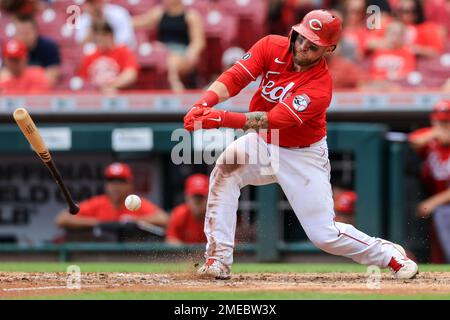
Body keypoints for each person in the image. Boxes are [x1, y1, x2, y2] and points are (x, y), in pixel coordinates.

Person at [183, 9, 418, 280]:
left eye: (314, 43)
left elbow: (274, 120)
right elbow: (236, 76)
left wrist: (220, 118)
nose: (304, 45)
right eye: (302, 37)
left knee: (323, 235)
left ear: (328, 48)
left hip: (302, 154)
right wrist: (204, 103)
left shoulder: (320, 86)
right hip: (261, 143)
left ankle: (388, 254)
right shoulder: (271, 45)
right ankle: (218, 260)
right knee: (224, 171)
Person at [55, 162, 169, 229]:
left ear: (129, 185)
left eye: (120, 181)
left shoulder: (135, 202)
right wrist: (99, 222)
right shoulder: (98, 203)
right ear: (106, 185)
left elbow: (164, 219)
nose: (115, 186)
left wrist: (136, 221)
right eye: (111, 181)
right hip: (100, 256)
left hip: (132, 256)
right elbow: (62, 219)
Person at [409, 100, 450, 263]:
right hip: (440, 204)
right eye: (439, 121)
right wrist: (435, 133)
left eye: (447, 122)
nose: (443, 126)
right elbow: (413, 141)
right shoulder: (431, 140)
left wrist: (433, 202)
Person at [132, 0, 205, 92]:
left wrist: (192, 53)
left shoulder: (191, 16)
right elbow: (142, 22)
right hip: (162, 51)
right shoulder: (159, 13)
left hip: (181, 52)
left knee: (171, 61)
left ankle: (174, 84)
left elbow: (198, 41)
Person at [78, 20, 139, 93]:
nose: (99, 38)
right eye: (96, 35)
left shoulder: (124, 52)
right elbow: (83, 80)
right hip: (95, 97)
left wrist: (111, 85)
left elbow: (130, 75)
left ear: (110, 35)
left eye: (103, 35)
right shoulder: (90, 56)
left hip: (119, 96)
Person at [13, 15, 61, 87]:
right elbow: (4, 76)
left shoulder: (48, 47)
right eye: (20, 33)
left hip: (40, 93)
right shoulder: (12, 49)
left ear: (36, 32)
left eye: (27, 33)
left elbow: (50, 79)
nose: (24, 37)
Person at [166, 174, 209, 244]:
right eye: (194, 197)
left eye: (201, 197)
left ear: (209, 197)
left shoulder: (217, 217)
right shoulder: (179, 214)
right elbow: (171, 241)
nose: (197, 201)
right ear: (186, 197)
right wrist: (189, 253)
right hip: (186, 254)